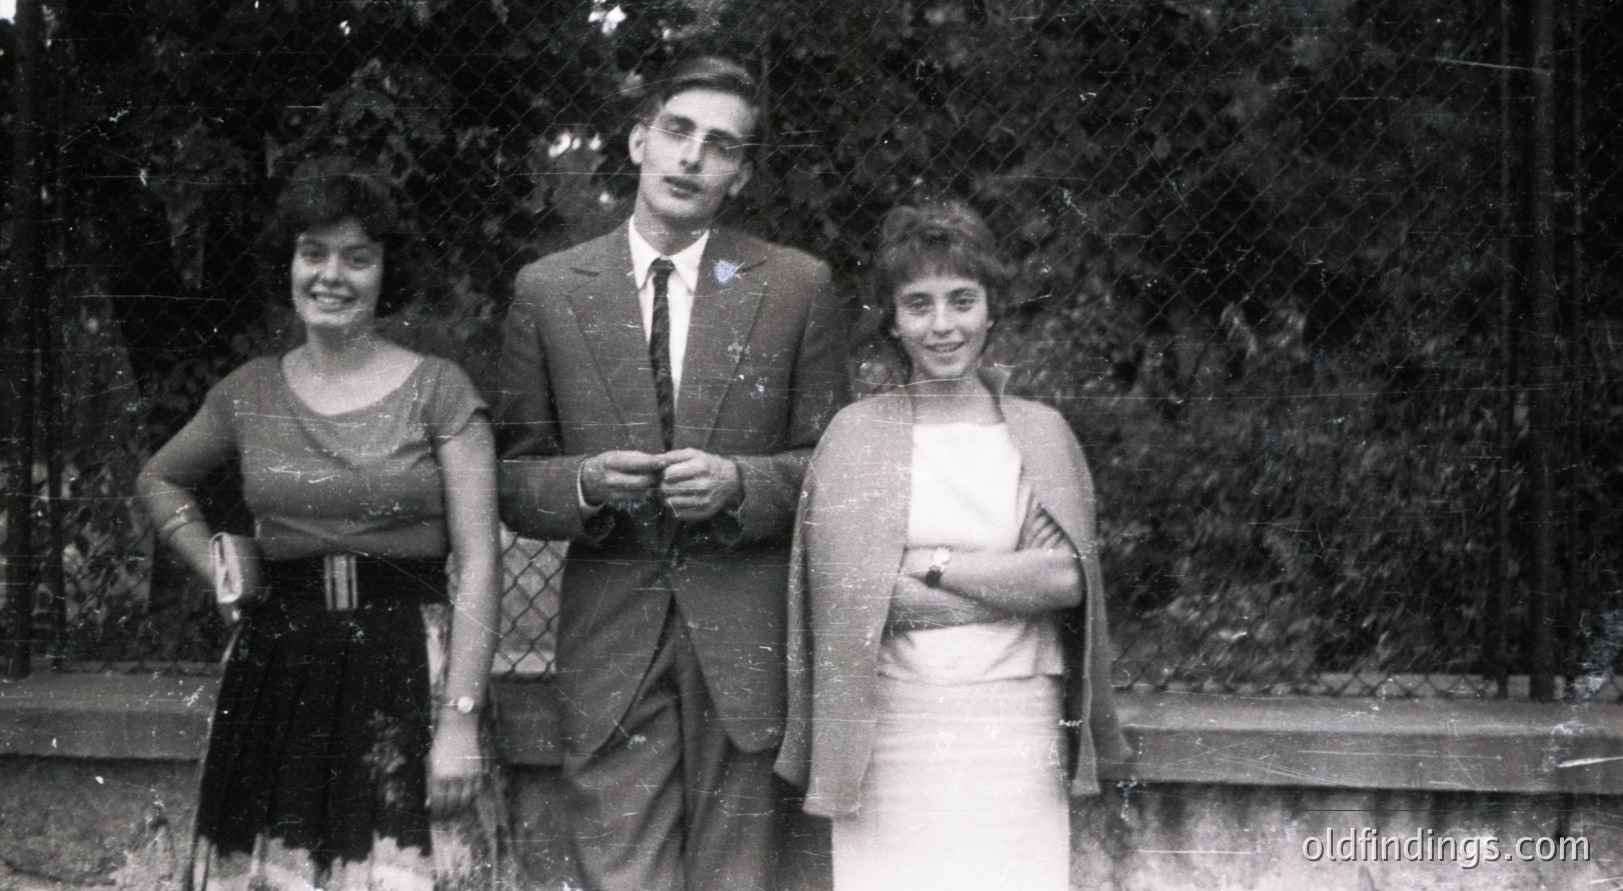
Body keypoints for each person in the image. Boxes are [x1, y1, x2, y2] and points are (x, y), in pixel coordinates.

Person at [496, 53, 849, 890]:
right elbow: (511, 478)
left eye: (720, 146)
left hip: (745, 641)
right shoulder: (548, 290)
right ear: (637, 140)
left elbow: (835, 470)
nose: (692, 157)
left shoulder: (795, 285)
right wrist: (582, 483)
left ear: (741, 173)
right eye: (678, 131)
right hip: (612, 641)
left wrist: (738, 483)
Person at [136, 163, 503, 891]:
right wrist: (216, 564)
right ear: (289, 262)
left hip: (409, 664)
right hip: (278, 667)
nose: (331, 275)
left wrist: (459, 719)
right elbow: (159, 479)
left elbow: (483, 560)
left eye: (357, 257)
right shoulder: (246, 392)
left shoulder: (440, 389)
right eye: (314, 252)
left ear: (384, 272)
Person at [775, 199, 1131, 891]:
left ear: (991, 308)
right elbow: (855, 599)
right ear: (893, 319)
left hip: (1014, 719)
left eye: (961, 300)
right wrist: (1002, 587)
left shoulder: (1039, 431)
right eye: (919, 304)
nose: (942, 325)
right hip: (893, 725)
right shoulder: (855, 433)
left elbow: (1062, 579)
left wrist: (930, 565)